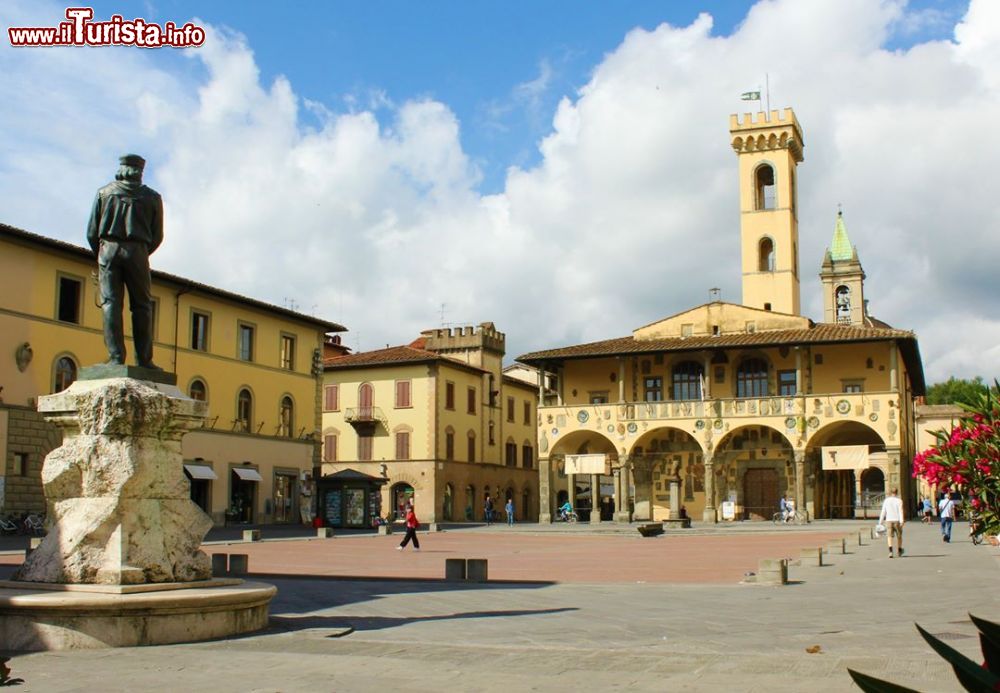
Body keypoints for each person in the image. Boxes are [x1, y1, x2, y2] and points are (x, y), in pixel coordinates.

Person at [87, 154, 164, 370]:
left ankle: (115, 357)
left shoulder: (103, 193)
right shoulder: (152, 197)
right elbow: (157, 236)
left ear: (122, 170)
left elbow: (92, 232)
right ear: (139, 172)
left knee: (111, 304)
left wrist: (102, 254)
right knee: (142, 306)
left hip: (108, 250)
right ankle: (144, 360)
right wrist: (141, 252)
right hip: (138, 251)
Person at [878, 488, 905, 558]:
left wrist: (880, 522)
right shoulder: (899, 501)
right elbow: (900, 511)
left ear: (890, 492)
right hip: (897, 521)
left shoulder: (886, 501)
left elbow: (883, 511)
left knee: (889, 536)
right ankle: (899, 550)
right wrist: (902, 521)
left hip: (888, 520)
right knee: (899, 536)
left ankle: (890, 551)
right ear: (897, 492)